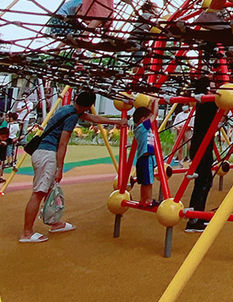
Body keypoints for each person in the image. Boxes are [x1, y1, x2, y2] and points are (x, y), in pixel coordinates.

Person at [20, 90, 124, 243]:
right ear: (89, 106)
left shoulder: (67, 109)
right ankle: (27, 233)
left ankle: (54, 223)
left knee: (49, 190)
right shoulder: (73, 115)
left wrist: (117, 123)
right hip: (47, 154)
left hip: (42, 152)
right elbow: (63, 143)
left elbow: (92, 118)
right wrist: (60, 169)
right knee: (39, 192)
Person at [184, 77, 220, 233]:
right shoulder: (207, 103)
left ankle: (198, 215)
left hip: (203, 146)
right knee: (202, 182)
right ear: (206, 89)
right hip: (201, 147)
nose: (215, 90)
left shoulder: (205, 103)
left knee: (204, 181)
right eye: (212, 88)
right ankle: (194, 219)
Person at [131, 105, 157, 206]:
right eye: (147, 118)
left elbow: (150, 114)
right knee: (149, 181)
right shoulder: (144, 126)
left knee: (143, 182)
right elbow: (154, 115)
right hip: (146, 158)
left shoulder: (138, 128)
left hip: (141, 158)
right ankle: (149, 200)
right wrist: (156, 102)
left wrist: (150, 103)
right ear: (143, 119)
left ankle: (143, 200)